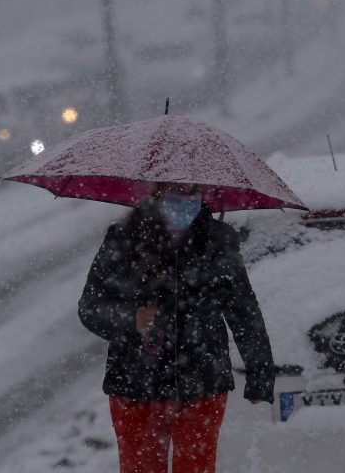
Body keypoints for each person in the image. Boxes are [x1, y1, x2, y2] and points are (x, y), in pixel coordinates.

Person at [78, 182, 275, 473]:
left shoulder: (218, 242)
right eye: (177, 192)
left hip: (202, 380)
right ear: (157, 194)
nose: (185, 201)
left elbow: (244, 311)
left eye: (192, 193)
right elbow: (90, 307)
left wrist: (260, 374)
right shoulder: (124, 239)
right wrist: (130, 318)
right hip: (136, 382)